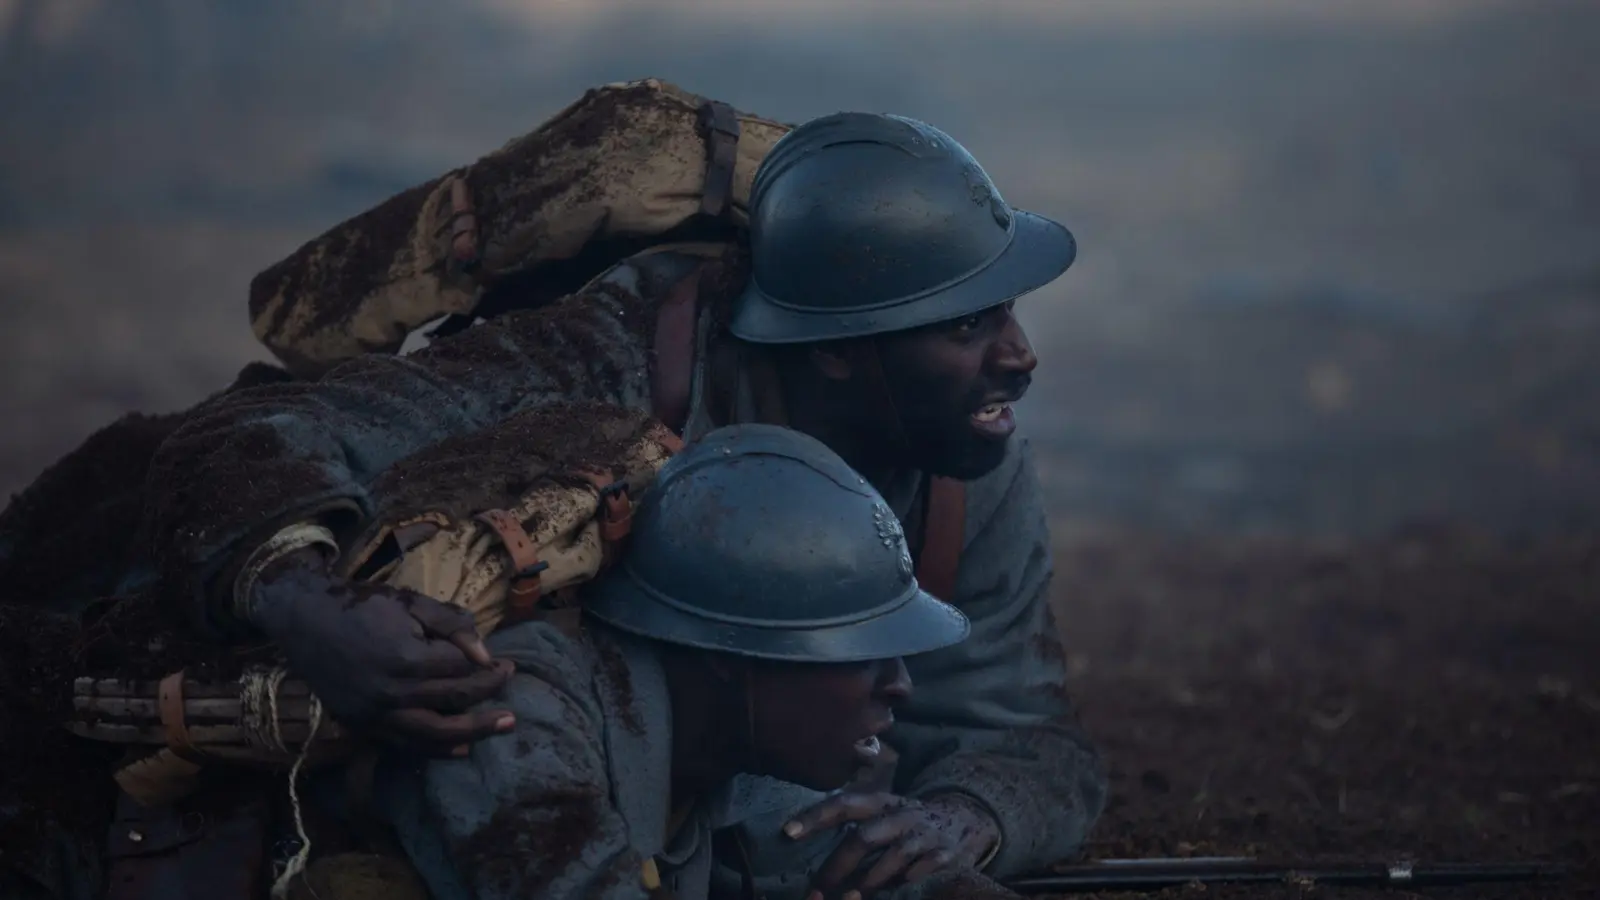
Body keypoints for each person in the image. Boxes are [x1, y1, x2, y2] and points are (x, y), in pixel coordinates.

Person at [137, 111, 1107, 891]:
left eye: (1008, 313)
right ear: (839, 349)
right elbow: (249, 438)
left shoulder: (959, 462)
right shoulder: (590, 368)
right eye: (968, 325)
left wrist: (963, 822)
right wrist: (313, 610)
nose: (1018, 358)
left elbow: (1020, 733)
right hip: (494, 775)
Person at [314, 423, 979, 900]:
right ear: (731, 652)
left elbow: (838, 853)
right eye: (864, 653)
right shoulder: (517, 717)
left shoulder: (728, 749)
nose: (901, 686)